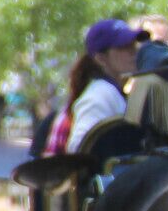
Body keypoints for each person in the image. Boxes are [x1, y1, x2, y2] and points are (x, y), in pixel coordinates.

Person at [61, 18, 143, 152]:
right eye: (123, 46)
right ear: (101, 58)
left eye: (133, 44)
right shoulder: (99, 95)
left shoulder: (111, 91)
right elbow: (78, 148)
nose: (133, 51)